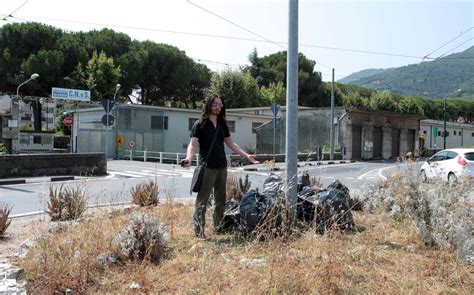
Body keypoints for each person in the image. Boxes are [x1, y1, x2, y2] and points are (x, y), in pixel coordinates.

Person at [181, 94, 259, 240]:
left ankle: (218, 226)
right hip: (207, 166)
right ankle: (199, 231)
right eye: (215, 104)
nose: (218, 107)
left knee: (220, 199)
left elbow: (231, 143)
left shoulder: (223, 125)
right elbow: (192, 144)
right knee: (202, 200)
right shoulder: (200, 124)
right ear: (209, 105)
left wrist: (246, 156)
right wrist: (189, 158)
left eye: (220, 105)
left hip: (222, 166)